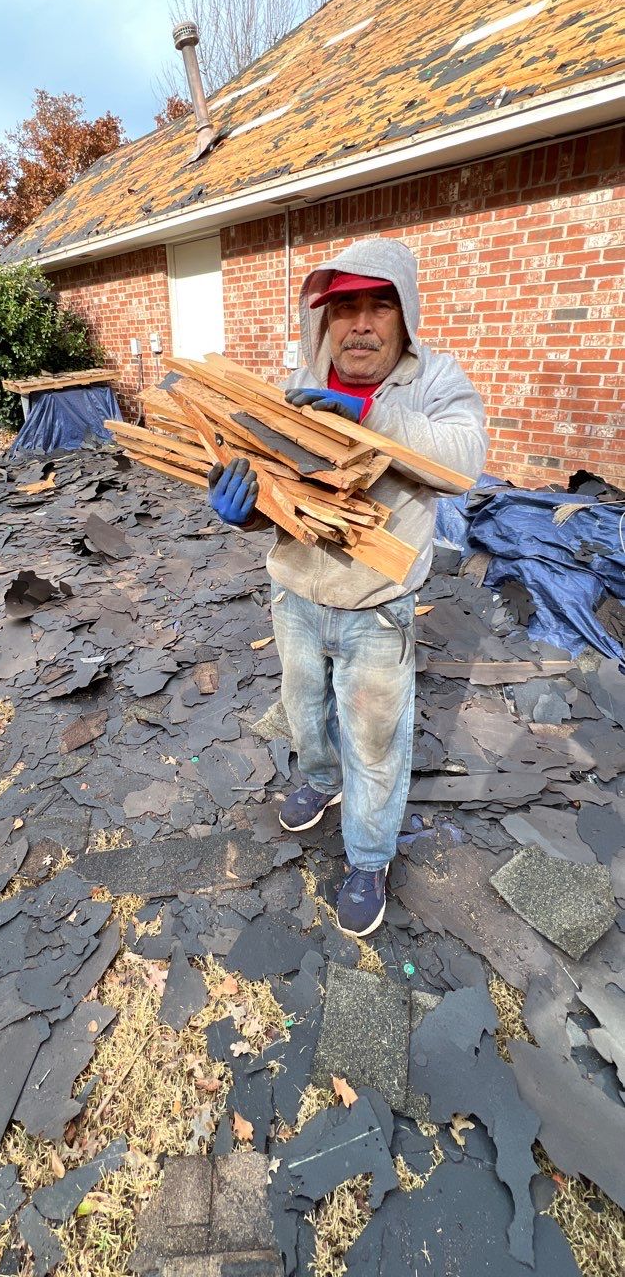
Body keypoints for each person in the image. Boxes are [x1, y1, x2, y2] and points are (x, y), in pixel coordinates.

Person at [207, 237, 487, 938]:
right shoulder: (293, 385)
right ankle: (319, 782)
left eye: (379, 306)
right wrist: (242, 510)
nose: (360, 324)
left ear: (404, 314)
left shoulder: (433, 382)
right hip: (295, 594)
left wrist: (371, 418)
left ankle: (367, 857)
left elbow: (462, 463)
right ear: (323, 321)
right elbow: (273, 489)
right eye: (345, 309)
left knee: (375, 740)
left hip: (376, 609)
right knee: (303, 710)